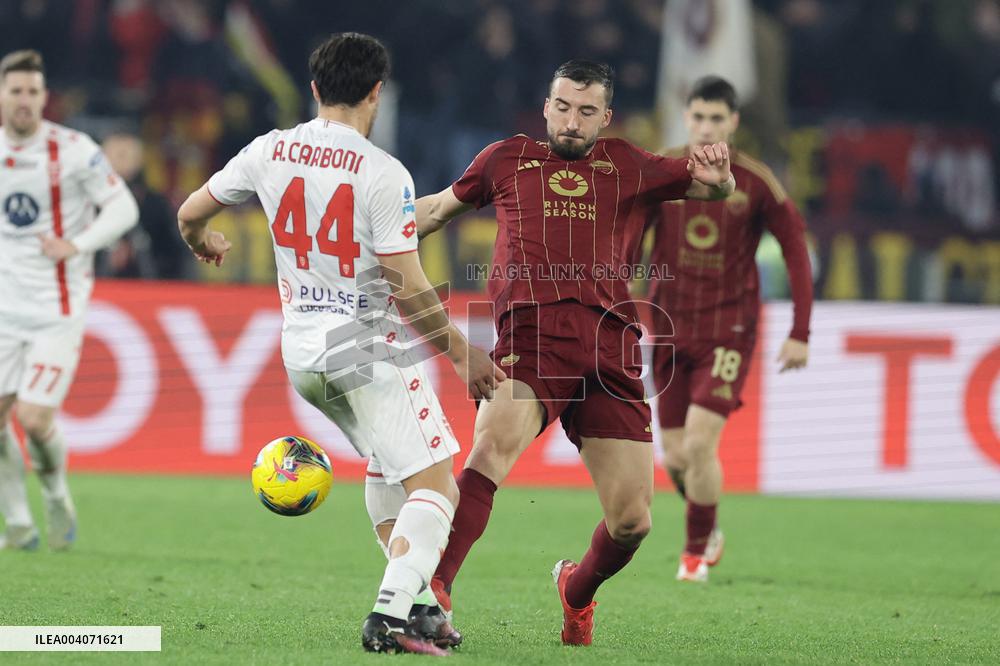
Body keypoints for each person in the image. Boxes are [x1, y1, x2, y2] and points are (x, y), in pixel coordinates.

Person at [176, 32, 503, 656]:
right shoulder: (383, 172)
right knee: (438, 486)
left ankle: (424, 607)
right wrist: (463, 354)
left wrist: (203, 242)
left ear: (314, 88)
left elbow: (192, 211)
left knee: (389, 465)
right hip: (361, 340)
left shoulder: (269, 149)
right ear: (377, 92)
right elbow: (406, 286)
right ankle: (390, 614)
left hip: (299, 346)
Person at [416, 59, 734, 646]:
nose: (571, 120)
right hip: (533, 338)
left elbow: (712, 187)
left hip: (611, 350)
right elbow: (435, 210)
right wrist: (375, 240)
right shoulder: (505, 158)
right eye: (562, 107)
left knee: (633, 521)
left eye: (586, 111)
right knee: (491, 446)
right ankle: (432, 590)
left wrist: (722, 173)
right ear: (546, 106)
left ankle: (576, 589)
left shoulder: (629, 165)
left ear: (605, 116)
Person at [646, 75, 813, 583]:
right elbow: (629, 239)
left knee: (699, 445)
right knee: (674, 456)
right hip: (669, 326)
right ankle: (710, 522)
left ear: (733, 122)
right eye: (698, 116)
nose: (705, 127)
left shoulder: (757, 181)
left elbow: (796, 251)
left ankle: (694, 554)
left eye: (716, 118)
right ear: (686, 117)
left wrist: (800, 330)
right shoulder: (662, 172)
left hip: (729, 329)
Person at [0, 50, 139, 551]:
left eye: (33, 92)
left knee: (34, 420)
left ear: (44, 97)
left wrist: (77, 245)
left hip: (56, 311)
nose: (24, 100)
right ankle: (17, 524)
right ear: (1, 94)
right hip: (3, 312)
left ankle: (56, 495)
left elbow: (124, 207)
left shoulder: (74, 150)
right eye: (15, 90)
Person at [100, 132, 190, 279]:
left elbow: (176, 255)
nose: (124, 162)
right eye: (120, 155)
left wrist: (139, 253)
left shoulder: (155, 204)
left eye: (131, 155)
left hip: (149, 289)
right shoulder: (86, 201)